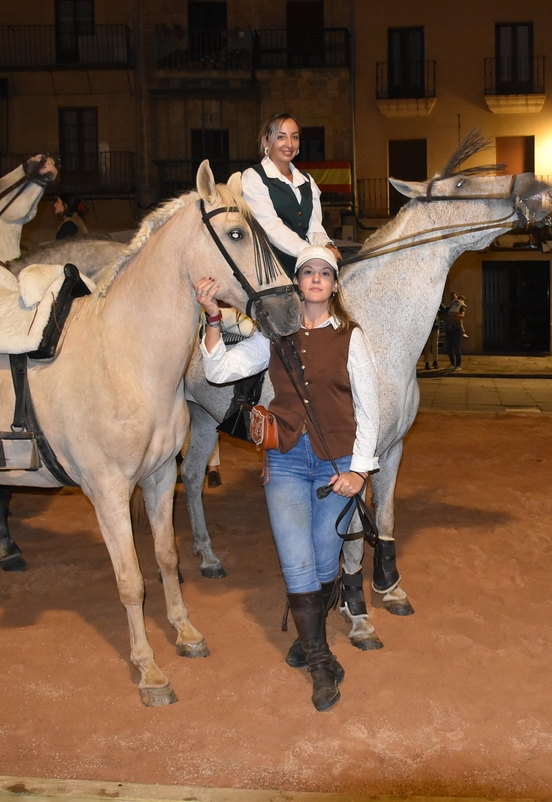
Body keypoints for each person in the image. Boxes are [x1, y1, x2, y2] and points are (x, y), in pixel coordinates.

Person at [195, 244, 379, 712]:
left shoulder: (351, 337)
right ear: (296, 282)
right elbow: (220, 370)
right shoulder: (275, 335)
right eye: (308, 272)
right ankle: (320, 661)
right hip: (286, 462)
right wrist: (213, 317)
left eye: (324, 273)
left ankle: (305, 638)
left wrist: (360, 471)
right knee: (296, 562)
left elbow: (369, 408)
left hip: (337, 463)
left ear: (334, 284)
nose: (316, 279)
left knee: (324, 561)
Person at [241, 113, 340, 278]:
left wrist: (327, 245)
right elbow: (270, 227)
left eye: (294, 137)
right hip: (269, 273)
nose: (289, 144)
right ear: (266, 141)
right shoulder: (253, 176)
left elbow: (314, 228)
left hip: (305, 269)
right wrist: (311, 252)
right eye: (281, 137)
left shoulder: (307, 180)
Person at [443, 291, 466, 369]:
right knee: (449, 347)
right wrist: (449, 318)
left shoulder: (461, 305)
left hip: (456, 328)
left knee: (456, 347)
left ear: (457, 296)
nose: (452, 298)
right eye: (451, 297)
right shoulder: (449, 306)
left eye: (454, 296)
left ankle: (458, 364)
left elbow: (462, 315)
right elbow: (445, 315)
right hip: (449, 328)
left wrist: (452, 318)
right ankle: (452, 363)